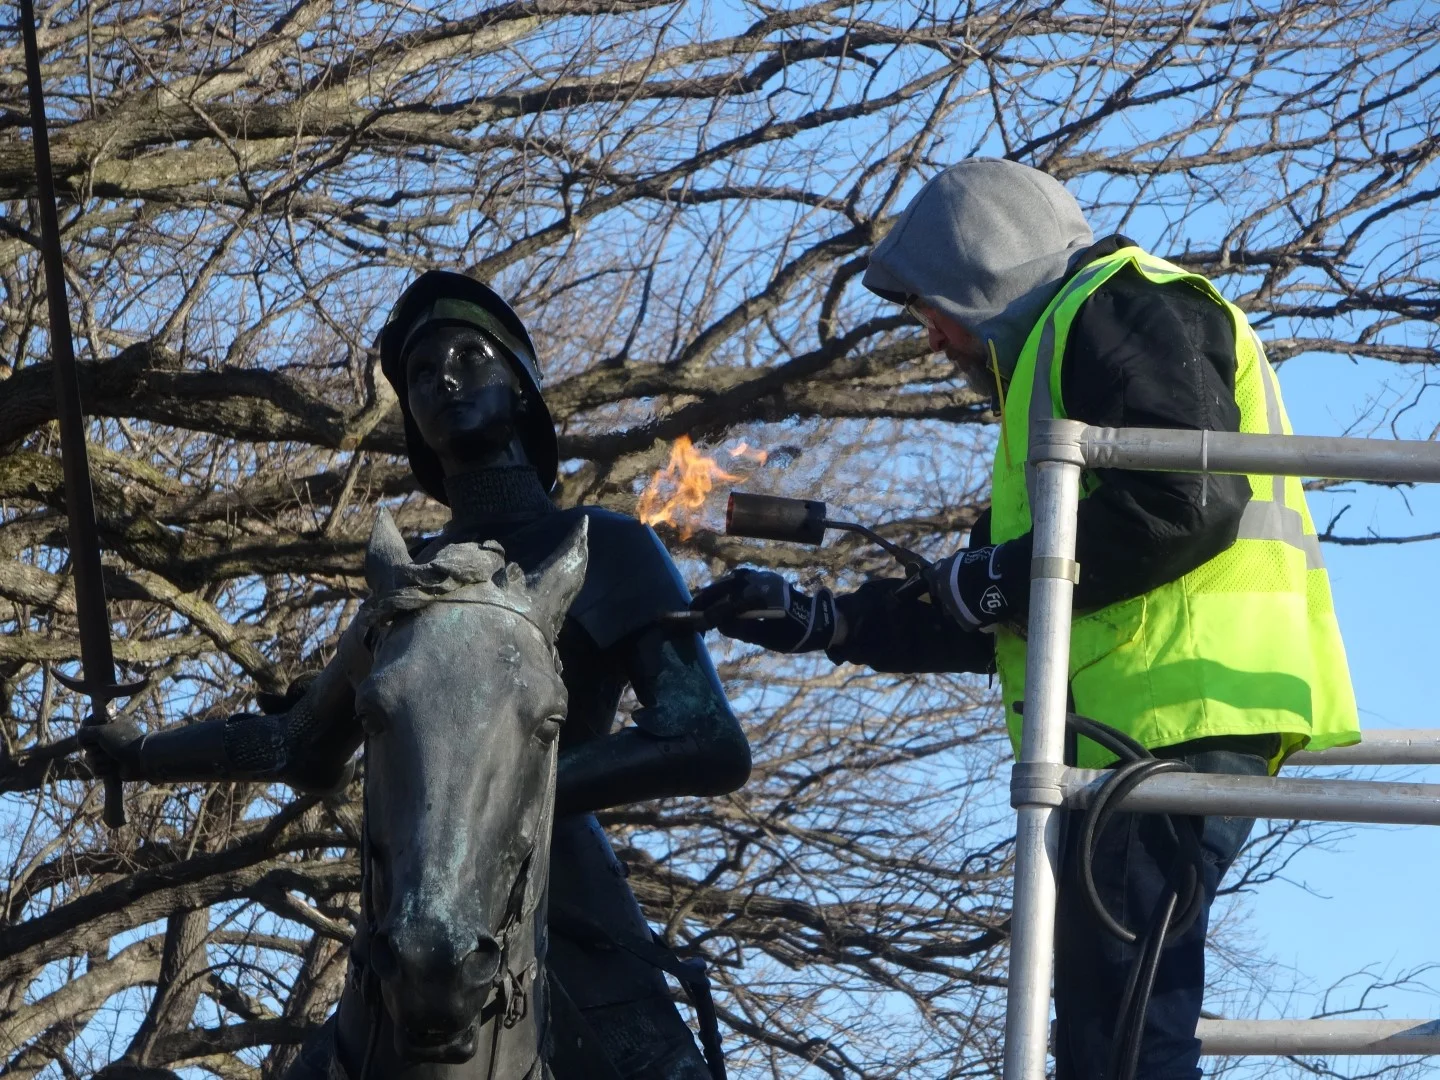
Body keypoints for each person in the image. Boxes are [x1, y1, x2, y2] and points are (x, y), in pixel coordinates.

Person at [690, 158, 1360, 1080]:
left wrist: (997, 581)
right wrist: (823, 621)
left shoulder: (1121, 303)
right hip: (1140, 729)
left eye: (930, 308)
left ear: (984, 273)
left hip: (1169, 725)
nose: (931, 338)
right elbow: (995, 605)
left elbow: (1180, 506)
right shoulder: (1057, 372)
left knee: (1123, 1033)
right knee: (1106, 1025)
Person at [82, 270, 750, 1080]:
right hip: (401, 931)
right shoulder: (408, 579)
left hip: (565, 908)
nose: (445, 378)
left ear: (522, 391)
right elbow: (300, 744)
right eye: (422, 373)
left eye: (471, 356)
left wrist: (516, 800)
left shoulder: (607, 546)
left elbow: (706, 736)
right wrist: (144, 753)